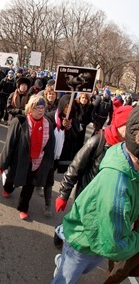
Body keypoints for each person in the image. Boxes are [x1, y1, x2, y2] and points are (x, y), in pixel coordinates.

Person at [52, 106, 139, 284]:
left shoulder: (121, 149)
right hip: (85, 229)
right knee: (66, 278)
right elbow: (75, 167)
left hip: (99, 228)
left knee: (84, 269)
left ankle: (63, 260)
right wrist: (63, 194)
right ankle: (64, 253)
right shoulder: (99, 142)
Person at [0, 95, 55, 219]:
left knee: (29, 186)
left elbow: (50, 146)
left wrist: (48, 165)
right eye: (37, 107)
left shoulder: (48, 124)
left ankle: (23, 208)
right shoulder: (19, 121)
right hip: (19, 160)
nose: (40, 110)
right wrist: (2, 164)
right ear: (30, 108)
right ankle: (7, 189)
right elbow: (9, 144)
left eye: (42, 107)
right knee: (12, 178)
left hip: (36, 162)